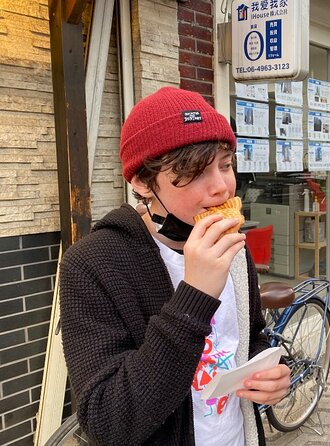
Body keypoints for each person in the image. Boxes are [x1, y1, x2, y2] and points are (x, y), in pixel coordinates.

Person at [59, 87, 290, 445]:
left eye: (226, 165)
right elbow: (106, 422)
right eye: (195, 171)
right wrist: (195, 295)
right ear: (141, 181)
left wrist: (271, 369)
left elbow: (250, 335)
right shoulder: (92, 265)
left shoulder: (232, 247)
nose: (222, 188)